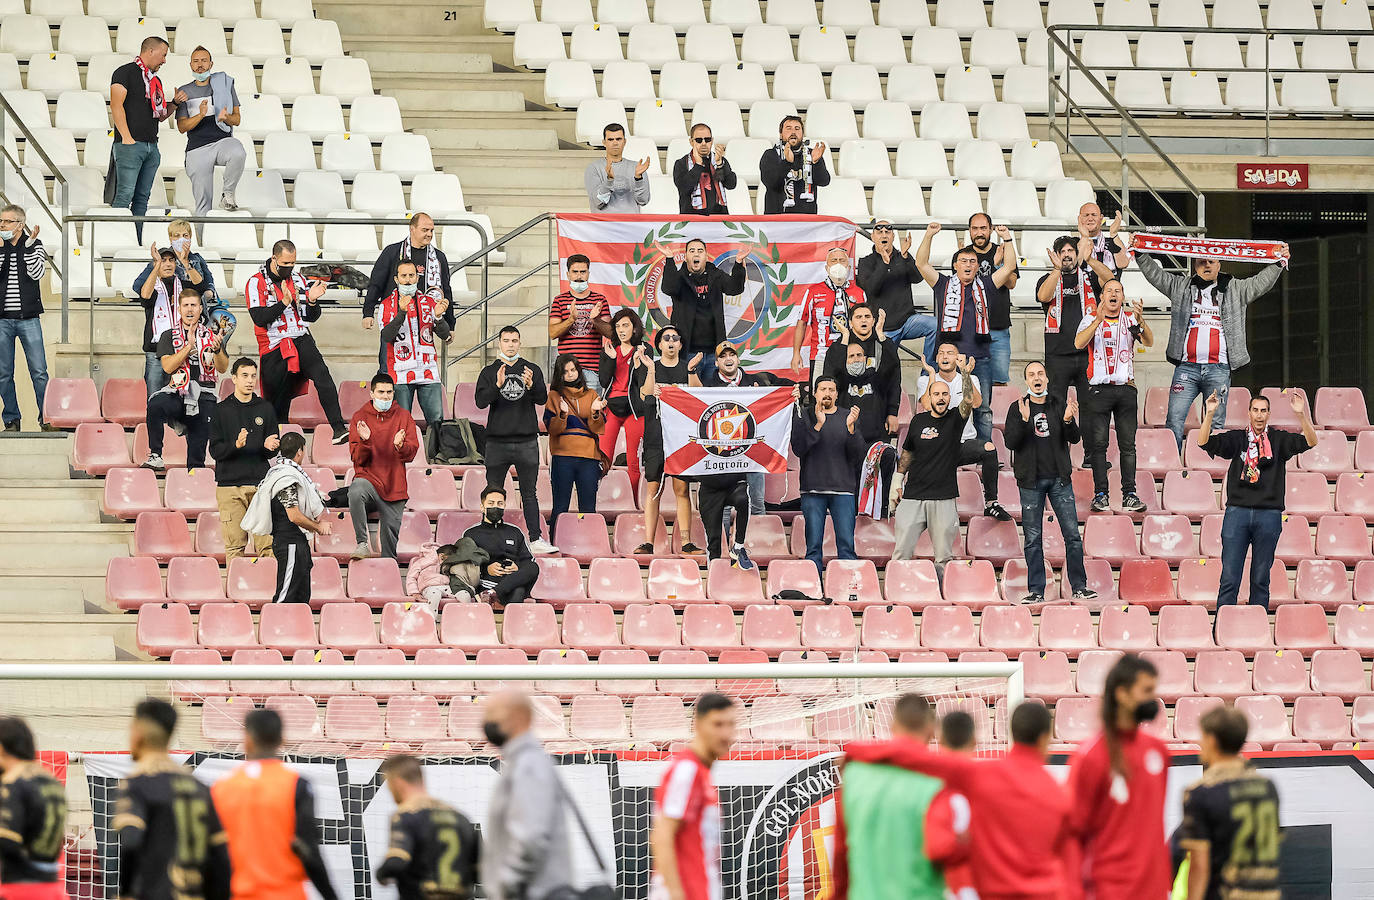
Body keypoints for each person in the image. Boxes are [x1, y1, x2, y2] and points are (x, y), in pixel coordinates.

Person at [840, 702, 1075, 900]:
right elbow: (1068, 860)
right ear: (1046, 738)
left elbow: (914, 758)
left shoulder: (984, 776)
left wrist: (856, 751)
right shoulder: (1060, 795)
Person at [1131, 235, 1291, 449]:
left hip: (1219, 369)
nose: (1206, 265)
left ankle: (1208, 466)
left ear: (1219, 263)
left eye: (1211, 261)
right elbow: (1156, 275)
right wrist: (1140, 252)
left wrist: (1279, 262)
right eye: (1201, 262)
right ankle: (1173, 467)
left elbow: (1260, 283)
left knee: (1216, 423)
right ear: (1193, 264)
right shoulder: (1181, 286)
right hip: (1186, 369)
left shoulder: (1235, 288)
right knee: (1174, 420)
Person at [1199, 390, 1316, 612]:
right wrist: (1209, 414)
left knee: (1261, 579)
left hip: (1269, 516)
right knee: (1229, 579)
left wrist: (1301, 416)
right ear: (1249, 413)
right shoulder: (1237, 438)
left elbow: (1311, 441)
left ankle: (1256, 630)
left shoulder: (1279, 439)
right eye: (1255, 410)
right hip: (1237, 514)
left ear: (1269, 414)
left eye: (1263, 411)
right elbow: (1203, 442)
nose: (1259, 415)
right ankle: (1223, 629)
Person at [1069, 654, 1170, 900]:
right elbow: (1072, 834)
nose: (1152, 699)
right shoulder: (1091, 757)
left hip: (1154, 891)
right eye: (1146, 691)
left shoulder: (1158, 752)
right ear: (1122, 694)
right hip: (1108, 891)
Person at [212, 709, 338, 900]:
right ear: (282, 740)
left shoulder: (221, 787)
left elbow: (213, 854)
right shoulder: (297, 785)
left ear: (247, 739)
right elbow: (309, 851)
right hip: (287, 894)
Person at [112, 700, 230, 900]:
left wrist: (126, 893)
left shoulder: (138, 785)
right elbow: (221, 858)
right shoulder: (200, 788)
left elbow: (131, 842)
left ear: (138, 733)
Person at [831, 694, 945, 900]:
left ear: (892, 726)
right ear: (932, 730)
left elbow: (841, 856)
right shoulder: (939, 781)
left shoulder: (855, 775)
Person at [914, 222, 1017, 442]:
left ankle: (983, 452)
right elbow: (921, 263)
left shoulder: (987, 285)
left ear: (978, 266)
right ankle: (944, 449)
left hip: (980, 358)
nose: (968, 265)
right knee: (944, 405)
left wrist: (1008, 239)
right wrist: (929, 234)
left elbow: (1008, 268)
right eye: (963, 261)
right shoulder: (943, 284)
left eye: (972, 261)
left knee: (983, 409)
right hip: (949, 359)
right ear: (955, 265)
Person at [1004, 361, 1097, 605]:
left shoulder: (1058, 404)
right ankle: (1036, 590)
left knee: (1072, 536)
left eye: (1040, 374)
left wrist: (1068, 420)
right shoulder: (1018, 407)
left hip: (1059, 479)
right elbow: (1011, 443)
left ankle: (1079, 586)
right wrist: (1025, 421)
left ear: (1047, 379)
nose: (1036, 378)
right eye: (1031, 374)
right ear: (1026, 381)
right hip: (1030, 482)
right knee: (1033, 539)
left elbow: (1075, 439)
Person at [244, 240, 349, 444]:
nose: (289, 267)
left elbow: (310, 317)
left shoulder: (299, 279)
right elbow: (259, 317)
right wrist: (284, 302)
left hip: (301, 337)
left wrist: (312, 301)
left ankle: (338, 427)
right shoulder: (256, 282)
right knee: (277, 401)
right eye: (285, 263)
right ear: (274, 259)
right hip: (274, 344)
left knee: (323, 376)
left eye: (292, 263)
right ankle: (275, 445)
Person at [1178, 706, 1282, 900]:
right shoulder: (1268, 787)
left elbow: (1199, 866)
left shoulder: (1200, 794)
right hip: (1266, 893)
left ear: (1212, 740)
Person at [481, 691, 573, 900]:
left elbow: (530, 837)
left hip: (532, 893)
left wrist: (507, 884)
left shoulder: (528, 764)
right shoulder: (526, 761)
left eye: (493, 714)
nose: (486, 722)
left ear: (520, 717)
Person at [475, 325, 556, 553]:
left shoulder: (531, 369)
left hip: (527, 441)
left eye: (514, 340)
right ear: (499, 343)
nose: (510, 344)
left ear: (519, 343)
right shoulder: (489, 371)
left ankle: (536, 539)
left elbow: (542, 399)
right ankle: (489, 540)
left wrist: (530, 386)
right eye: (506, 340)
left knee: (529, 493)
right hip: (496, 442)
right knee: (493, 493)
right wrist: (497, 385)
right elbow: (480, 402)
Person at [1074, 279, 1153, 513]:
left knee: (1128, 445)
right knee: (1099, 446)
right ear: (1102, 296)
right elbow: (1078, 343)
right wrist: (1098, 320)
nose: (1113, 294)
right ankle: (1101, 494)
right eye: (1109, 290)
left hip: (1126, 389)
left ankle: (1130, 494)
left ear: (1123, 296)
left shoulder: (1130, 319)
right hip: (1099, 390)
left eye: (1118, 290)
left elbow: (1148, 342)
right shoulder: (1090, 319)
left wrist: (1142, 321)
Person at [648, 693, 737, 900]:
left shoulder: (701, 772)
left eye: (731, 724)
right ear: (697, 725)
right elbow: (661, 835)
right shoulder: (687, 770)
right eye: (717, 724)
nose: (726, 733)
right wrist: (676, 894)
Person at [891, 365, 973, 579]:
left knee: (943, 557)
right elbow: (907, 454)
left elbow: (968, 402)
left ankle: (941, 595)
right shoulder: (918, 421)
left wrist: (965, 375)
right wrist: (897, 482)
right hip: (913, 496)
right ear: (929, 397)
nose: (941, 398)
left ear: (949, 398)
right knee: (901, 552)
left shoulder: (955, 419)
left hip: (943, 497)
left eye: (945, 394)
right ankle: (899, 591)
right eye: (936, 394)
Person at [917, 342, 1012, 521]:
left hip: (963, 443)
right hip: (937, 445)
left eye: (950, 353)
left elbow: (975, 403)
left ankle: (992, 503)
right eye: (941, 353)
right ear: (936, 359)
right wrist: (931, 375)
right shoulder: (926, 380)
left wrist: (966, 374)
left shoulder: (970, 378)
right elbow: (927, 406)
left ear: (958, 357)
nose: (945, 356)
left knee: (989, 449)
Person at [823, 305, 901, 517]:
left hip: (876, 426)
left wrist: (893, 412)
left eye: (868, 316)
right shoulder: (840, 348)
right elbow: (829, 378)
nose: (864, 320)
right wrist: (845, 338)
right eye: (858, 317)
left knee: (883, 464)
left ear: (874, 320)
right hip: (845, 431)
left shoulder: (882, 345)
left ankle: (882, 511)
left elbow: (894, 378)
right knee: (848, 474)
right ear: (851, 321)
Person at [242, 431, 333, 604]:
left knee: (300, 598)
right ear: (300, 451)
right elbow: (294, 516)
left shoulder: (280, 473)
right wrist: (318, 526)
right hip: (290, 542)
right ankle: (273, 627)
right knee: (285, 597)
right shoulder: (286, 478)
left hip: (295, 543)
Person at [142, 291, 229, 471]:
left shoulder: (212, 335)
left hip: (205, 395)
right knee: (155, 404)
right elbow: (167, 366)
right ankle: (156, 455)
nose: (190, 309)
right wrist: (188, 348)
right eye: (186, 305)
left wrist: (218, 349)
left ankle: (194, 479)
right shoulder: (168, 335)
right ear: (179, 309)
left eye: (194, 305)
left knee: (197, 456)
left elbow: (222, 367)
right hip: (177, 393)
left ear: (200, 309)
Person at [376, 754, 480, 900]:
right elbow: (480, 868)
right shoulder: (461, 818)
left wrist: (381, 874)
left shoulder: (406, 816)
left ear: (397, 782)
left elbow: (396, 862)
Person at [638, 325, 704, 555]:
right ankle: (648, 542)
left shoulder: (688, 368)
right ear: (658, 344)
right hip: (656, 437)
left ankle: (686, 542)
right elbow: (644, 395)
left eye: (675, 338)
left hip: (681, 440)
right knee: (653, 488)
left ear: (680, 344)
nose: (671, 341)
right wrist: (650, 372)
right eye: (666, 338)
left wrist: (693, 371)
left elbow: (700, 397)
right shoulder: (650, 367)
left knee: (682, 489)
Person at [110, 36, 183, 242]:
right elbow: (116, 105)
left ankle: (136, 240)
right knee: (125, 195)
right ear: (150, 51)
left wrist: (175, 103)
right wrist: (126, 137)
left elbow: (159, 115)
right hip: (130, 145)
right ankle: (116, 239)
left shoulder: (155, 81)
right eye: (163, 55)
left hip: (151, 145)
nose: (164, 60)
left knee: (142, 198)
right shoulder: (124, 72)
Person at [209, 357, 280, 561]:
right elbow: (215, 450)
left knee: (267, 546)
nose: (250, 380)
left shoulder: (265, 408)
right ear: (234, 378)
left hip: (260, 485)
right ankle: (236, 592)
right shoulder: (221, 410)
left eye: (253, 376)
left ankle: (268, 590)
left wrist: (271, 447)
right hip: (229, 487)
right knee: (234, 547)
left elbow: (272, 447)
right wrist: (236, 445)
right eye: (245, 376)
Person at [794, 376, 865, 577]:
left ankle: (847, 587)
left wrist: (851, 429)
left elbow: (858, 455)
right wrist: (818, 425)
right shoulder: (806, 415)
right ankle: (814, 586)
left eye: (831, 389)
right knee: (813, 547)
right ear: (815, 393)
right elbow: (799, 449)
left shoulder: (848, 416)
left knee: (846, 546)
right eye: (823, 389)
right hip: (812, 489)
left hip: (843, 490)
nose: (827, 393)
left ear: (836, 393)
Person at [701, 342, 767, 549]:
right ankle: (723, 547)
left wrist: (793, 394)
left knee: (756, 501)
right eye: (723, 356)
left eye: (732, 355)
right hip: (723, 456)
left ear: (738, 359)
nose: (728, 359)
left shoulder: (756, 383)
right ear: (717, 362)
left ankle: (758, 544)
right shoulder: (707, 386)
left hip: (753, 454)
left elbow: (785, 391)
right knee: (724, 506)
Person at [348, 373, 419, 561]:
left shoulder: (404, 416)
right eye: (381, 392)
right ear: (371, 393)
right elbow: (357, 458)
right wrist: (365, 441)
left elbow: (412, 453)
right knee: (356, 489)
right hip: (369, 480)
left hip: (394, 485)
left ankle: (389, 576)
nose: (385, 396)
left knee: (389, 551)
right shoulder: (359, 417)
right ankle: (362, 543)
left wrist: (399, 446)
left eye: (389, 392)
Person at [131, 220, 236, 345]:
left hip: (197, 310)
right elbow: (138, 286)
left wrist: (208, 292)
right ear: (170, 238)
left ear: (190, 238)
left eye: (185, 236)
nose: (181, 239)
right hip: (167, 314)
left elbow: (208, 282)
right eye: (177, 236)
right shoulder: (161, 258)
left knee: (227, 321)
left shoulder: (197, 258)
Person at [0, 716, 70, 900]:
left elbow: (7, 842)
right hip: (52, 889)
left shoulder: (12, 783)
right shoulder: (51, 782)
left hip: (19, 889)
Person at [661, 239, 748, 385]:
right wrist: (669, 260)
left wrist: (738, 263)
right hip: (686, 352)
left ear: (706, 256)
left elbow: (735, 288)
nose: (696, 254)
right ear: (686, 256)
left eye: (700, 251)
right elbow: (668, 288)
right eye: (692, 251)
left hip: (713, 353)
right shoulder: (680, 277)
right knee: (688, 397)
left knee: (711, 396)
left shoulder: (715, 275)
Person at [378, 259, 451, 426]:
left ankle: (435, 452)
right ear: (396, 279)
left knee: (437, 421)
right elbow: (387, 336)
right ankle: (402, 453)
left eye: (412, 275)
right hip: (400, 371)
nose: (408, 279)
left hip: (427, 369)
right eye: (404, 276)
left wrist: (439, 318)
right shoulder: (387, 304)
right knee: (400, 422)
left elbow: (445, 335)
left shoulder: (429, 301)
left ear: (418, 278)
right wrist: (401, 313)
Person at [363, 213, 458, 342]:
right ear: (412, 229)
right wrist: (368, 312)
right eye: (424, 230)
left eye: (431, 230)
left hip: (424, 322)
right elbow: (376, 283)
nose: (429, 234)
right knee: (388, 360)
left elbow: (445, 290)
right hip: (394, 319)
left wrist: (450, 324)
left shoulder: (439, 257)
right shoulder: (392, 252)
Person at [0, 205, 52, 432]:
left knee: (39, 372)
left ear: (20, 225)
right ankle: (12, 419)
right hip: (2, 320)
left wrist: (30, 247)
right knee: (3, 374)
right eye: (1, 221)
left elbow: (37, 274)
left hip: (29, 318)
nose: (2, 225)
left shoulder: (34, 245)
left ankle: (47, 418)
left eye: (7, 222)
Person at [176, 45, 245, 216]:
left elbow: (236, 119)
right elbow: (181, 127)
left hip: (222, 141)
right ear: (191, 65)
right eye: (196, 61)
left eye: (204, 61)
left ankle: (227, 193)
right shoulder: (184, 92)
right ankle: (201, 242)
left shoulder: (225, 84)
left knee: (238, 152)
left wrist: (226, 117)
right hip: (197, 148)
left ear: (211, 64)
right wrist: (200, 115)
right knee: (203, 205)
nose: (200, 65)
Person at [545, 354, 607, 540]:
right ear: (559, 375)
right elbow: (552, 429)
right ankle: (555, 540)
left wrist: (595, 411)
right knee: (560, 505)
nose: (570, 375)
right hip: (562, 457)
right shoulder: (554, 396)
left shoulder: (592, 395)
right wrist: (562, 415)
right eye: (565, 372)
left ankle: (589, 541)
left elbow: (599, 429)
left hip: (589, 457)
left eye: (573, 370)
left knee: (588, 507)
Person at [857, 221, 935, 358]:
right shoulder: (865, 262)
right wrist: (884, 263)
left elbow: (918, 278)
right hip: (883, 327)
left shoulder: (902, 257)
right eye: (879, 232)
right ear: (873, 237)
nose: (884, 235)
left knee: (936, 325)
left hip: (908, 321)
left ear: (893, 237)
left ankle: (927, 374)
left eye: (888, 232)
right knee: (884, 368)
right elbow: (871, 289)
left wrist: (906, 257)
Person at [924, 711, 976, 900]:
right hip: (975, 887)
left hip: (937, 888)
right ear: (974, 741)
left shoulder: (924, 784)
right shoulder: (991, 782)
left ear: (941, 740)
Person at [791, 247, 865, 377]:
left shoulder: (859, 293)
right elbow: (801, 323)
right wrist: (796, 353)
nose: (838, 264)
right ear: (826, 267)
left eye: (842, 261)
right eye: (834, 261)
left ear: (848, 266)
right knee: (821, 394)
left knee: (848, 395)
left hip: (851, 356)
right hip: (821, 355)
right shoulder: (813, 291)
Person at [599, 309, 651, 490]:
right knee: (603, 458)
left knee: (633, 461)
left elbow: (643, 383)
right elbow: (604, 381)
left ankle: (635, 502)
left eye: (626, 325)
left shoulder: (644, 349)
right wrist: (612, 359)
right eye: (618, 326)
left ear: (635, 329)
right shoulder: (610, 349)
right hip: (612, 407)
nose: (621, 330)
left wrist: (638, 362)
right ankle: (600, 499)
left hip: (635, 410)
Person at [464, 487, 540, 606]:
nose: (496, 507)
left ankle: (493, 594)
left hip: (513, 579)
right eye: (491, 503)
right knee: (519, 591)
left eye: (500, 503)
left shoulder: (515, 531)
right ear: (482, 507)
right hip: (487, 581)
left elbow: (528, 560)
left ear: (504, 505)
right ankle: (493, 594)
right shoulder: (471, 533)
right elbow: (466, 564)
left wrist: (517, 566)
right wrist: (486, 569)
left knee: (533, 567)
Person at [548, 254, 611, 392]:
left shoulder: (600, 300)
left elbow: (611, 333)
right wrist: (571, 320)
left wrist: (595, 320)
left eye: (583, 272)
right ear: (568, 274)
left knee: (591, 412)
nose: (579, 276)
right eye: (575, 272)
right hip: (566, 370)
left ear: (588, 273)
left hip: (592, 370)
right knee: (565, 413)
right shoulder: (560, 300)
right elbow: (552, 333)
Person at [966, 213, 1017, 385]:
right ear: (969, 231)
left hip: (998, 329)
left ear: (990, 230)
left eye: (983, 228)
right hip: (971, 330)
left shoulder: (1003, 251)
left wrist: (999, 266)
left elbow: (1011, 283)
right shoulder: (962, 255)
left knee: (999, 383)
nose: (979, 233)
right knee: (970, 383)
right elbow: (963, 287)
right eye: (975, 228)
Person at [759, 115, 830, 215]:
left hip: (806, 220)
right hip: (777, 220)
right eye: (788, 128)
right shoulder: (771, 154)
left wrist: (816, 163)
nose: (793, 132)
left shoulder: (812, 154)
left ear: (802, 134)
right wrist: (787, 163)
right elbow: (771, 182)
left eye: (797, 129)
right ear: (781, 134)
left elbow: (824, 181)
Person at [138, 247, 184, 396]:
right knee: (154, 400)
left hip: (178, 350)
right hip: (155, 351)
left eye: (171, 260)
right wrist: (156, 265)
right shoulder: (152, 285)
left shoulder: (182, 286)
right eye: (163, 260)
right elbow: (145, 296)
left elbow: (201, 286)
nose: (168, 264)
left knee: (177, 400)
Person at [585, 122, 651, 212]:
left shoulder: (637, 168)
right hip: (604, 224)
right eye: (611, 139)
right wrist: (609, 181)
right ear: (604, 143)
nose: (615, 143)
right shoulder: (593, 168)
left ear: (624, 142)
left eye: (618, 139)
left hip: (630, 223)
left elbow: (643, 200)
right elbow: (598, 202)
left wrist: (638, 179)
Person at [672, 123, 735, 215]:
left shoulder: (719, 160)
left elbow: (731, 184)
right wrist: (698, 165)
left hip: (719, 219)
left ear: (712, 141)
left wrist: (720, 165)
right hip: (692, 220)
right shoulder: (682, 163)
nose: (704, 143)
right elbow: (684, 188)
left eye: (707, 139)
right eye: (699, 140)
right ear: (691, 142)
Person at [1078, 203, 1126, 281]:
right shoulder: (1073, 243)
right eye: (1086, 215)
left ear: (1101, 218)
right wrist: (1084, 237)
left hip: (1109, 291)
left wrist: (1114, 234)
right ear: (1079, 219)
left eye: (1094, 215)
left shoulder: (1112, 241)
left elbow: (1123, 264)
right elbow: (1073, 265)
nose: (1090, 219)